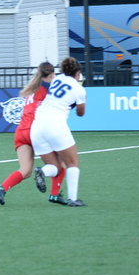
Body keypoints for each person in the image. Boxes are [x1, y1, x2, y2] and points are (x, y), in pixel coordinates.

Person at [0, 61, 69, 205]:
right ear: (51, 75)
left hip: (21, 131)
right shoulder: (49, 88)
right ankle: (54, 194)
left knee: (25, 170)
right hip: (36, 130)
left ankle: (2, 188)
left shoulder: (33, 88)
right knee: (60, 165)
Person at [30, 57, 87, 207]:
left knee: (56, 167)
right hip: (55, 124)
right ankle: (73, 199)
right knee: (72, 163)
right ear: (78, 72)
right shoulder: (79, 89)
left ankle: (42, 171)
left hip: (37, 125)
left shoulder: (56, 79)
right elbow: (81, 113)